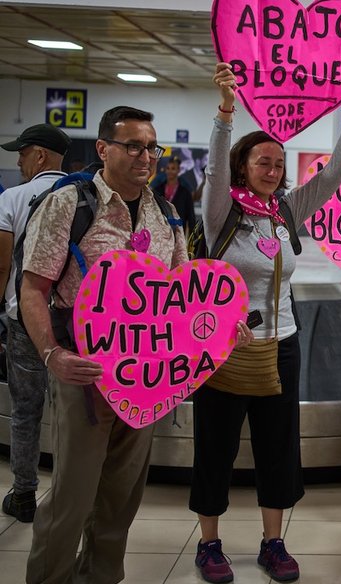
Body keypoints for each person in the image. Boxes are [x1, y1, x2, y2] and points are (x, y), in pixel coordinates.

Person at [188, 63, 341, 583]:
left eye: (278, 163)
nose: (272, 169)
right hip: (222, 347)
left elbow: (332, 176)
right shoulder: (222, 211)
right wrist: (227, 110)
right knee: (216, 446)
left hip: (281, 343)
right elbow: (216, 169)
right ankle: (209, 544)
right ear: (243, 166)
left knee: (278, 448)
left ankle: (273, 541)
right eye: (262, 161)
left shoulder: (286, 210)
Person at [19, 106, 210, 583]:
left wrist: (219, 325)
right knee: (72, 497)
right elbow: (34, 289)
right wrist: (52, 354)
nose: (146, 156)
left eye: (152, 146)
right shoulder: (69, 204)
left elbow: (182, 295)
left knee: (120, 500)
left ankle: (101, 577)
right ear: (103, 149)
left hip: (144, 379)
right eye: (133, 145)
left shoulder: (166, 213)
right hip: (82, 373)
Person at [0, 124, 71, 523]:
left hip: (24, 319)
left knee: (26, 409)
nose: (19, 159)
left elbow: (1, 261)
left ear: (41, 155)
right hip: (69, 322)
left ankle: (24, 494)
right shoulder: (83, 194)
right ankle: (67, 494)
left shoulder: (13, 197)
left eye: (23, 152)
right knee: (71, 413)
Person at [149, 155, 197, 236]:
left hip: (178, 232)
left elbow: (191, 216)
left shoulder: (185, 192)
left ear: (179, 170)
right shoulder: (157, 190)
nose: (170, 171)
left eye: (173, 168)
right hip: (160, 232)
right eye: (168, 168)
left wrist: (192, 238)